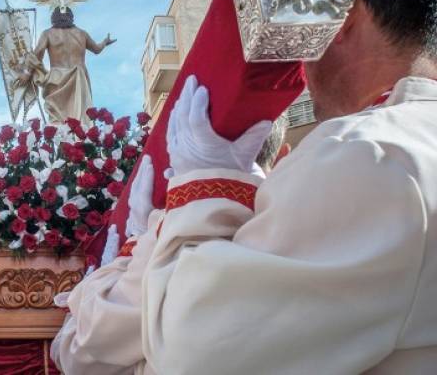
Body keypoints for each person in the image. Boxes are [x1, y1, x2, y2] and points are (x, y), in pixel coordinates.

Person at [143, 0, 437, 373]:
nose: (301, 63)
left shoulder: (368, 152)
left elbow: (191, 350)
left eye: (308, 28)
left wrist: (202, 184)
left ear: (345, 13)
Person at [51, 115, 288, 374]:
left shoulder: (167, 236)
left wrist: (130, 251)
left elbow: (79, 355)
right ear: (282, 156)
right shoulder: (304, 227)